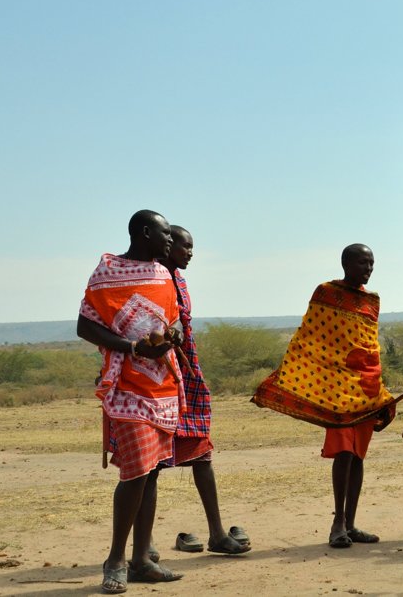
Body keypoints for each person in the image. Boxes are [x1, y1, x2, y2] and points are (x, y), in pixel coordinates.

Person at [254, 244, 395, 548]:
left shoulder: (373, 301)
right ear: (346, 264)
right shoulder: (326, 293)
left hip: (364, 391)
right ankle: (338, 524)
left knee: (358, 456)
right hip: (335, 391)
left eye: (372, 263)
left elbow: (370, 350)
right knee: (343, 454)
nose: (368, 268)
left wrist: (381, 394)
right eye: (362, 262)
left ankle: (352, 524)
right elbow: (310, 339)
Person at [77, 210, 185, 593]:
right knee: (136, 471)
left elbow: (168, 321)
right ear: (144, 233)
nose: (170, 240)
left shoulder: (162, 274)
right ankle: (115, 559)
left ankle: (141, 559)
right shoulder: (107, 273)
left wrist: (168, 339)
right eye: (165, 233)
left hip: (163, 385)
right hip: (126, 385)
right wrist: (134, 347)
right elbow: (85, 325)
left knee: (152, 470)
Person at [157, 225, 250, 556]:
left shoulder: (179, 280)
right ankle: (143, 546)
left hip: (186, 371)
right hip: (157, 376)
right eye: (185, 246)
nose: (190, 252)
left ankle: (216, 533)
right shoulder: (150, 278)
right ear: (166, 246)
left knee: (202, 453)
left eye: (192, 247)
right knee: (148, 465)